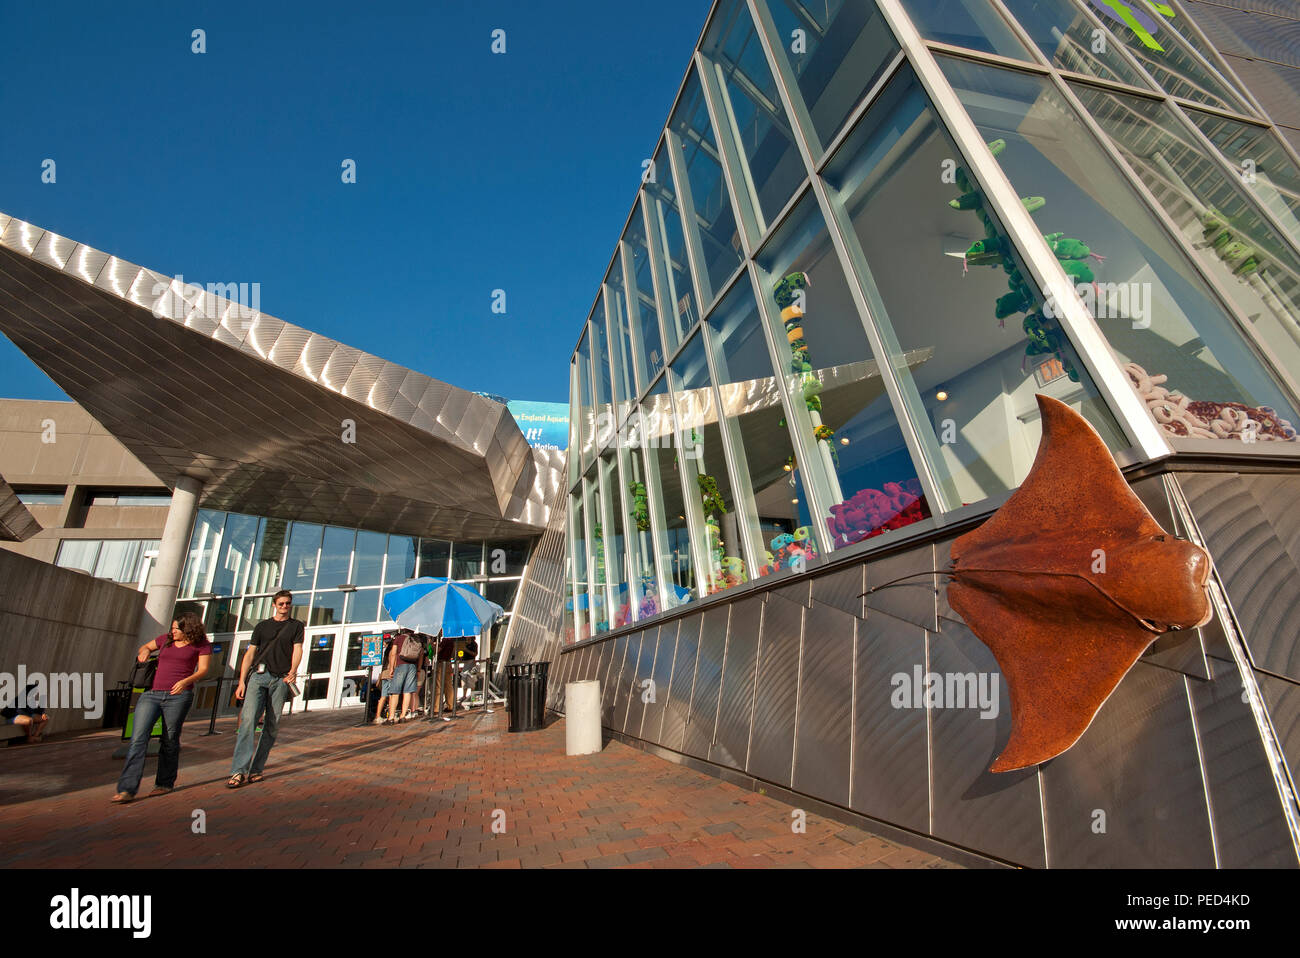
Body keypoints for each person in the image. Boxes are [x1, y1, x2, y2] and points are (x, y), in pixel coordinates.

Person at [112, 612, 211, 802]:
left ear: (188, 629)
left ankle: (164, 783)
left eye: (177, 628)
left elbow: (204, 670)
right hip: (152, 695)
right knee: (138, 740)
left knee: (170, 739)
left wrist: (185, 682)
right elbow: (145, 647)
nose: (172, 631)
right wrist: (145, 651)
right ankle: (127, 789)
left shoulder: (201, 645)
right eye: (172, 627)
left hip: (178, 697)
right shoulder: (165, 640)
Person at [227, 590, 304, 787]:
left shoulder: (296, 626)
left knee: (272, 724)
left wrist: (293, 671)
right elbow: (250, 654)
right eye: (281, 604)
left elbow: (297, 649)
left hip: (280, 679)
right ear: (274, 605)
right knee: (248, 721)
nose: (285, 607)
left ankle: (256, 769)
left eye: (287, 604)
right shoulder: (262, 626)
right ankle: (238, 771)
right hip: (259, 677)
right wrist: (242, 681)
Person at [384, 628, 425, 722]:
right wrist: (418, 669)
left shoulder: (398, 638)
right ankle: (403, 716)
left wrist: (391, 668)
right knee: (408, 691)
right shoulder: (417, 639)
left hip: (400, 665)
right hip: (412, 666)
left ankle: (391, 717)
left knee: (395, 691)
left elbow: (393, 653)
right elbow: (421, 655)